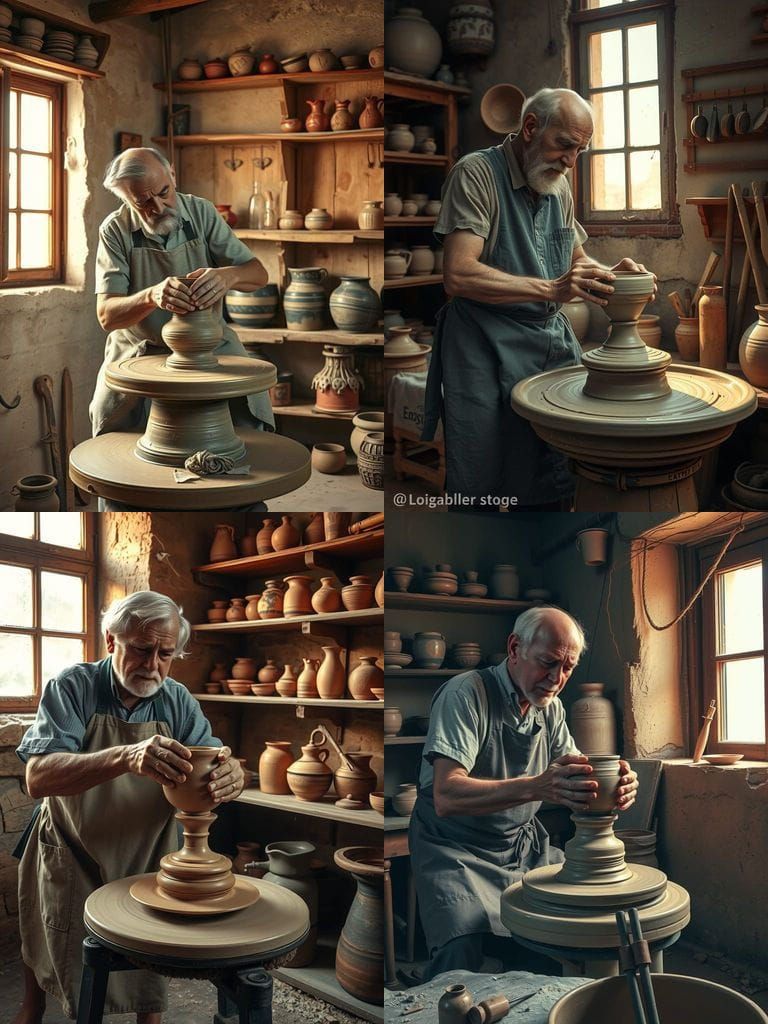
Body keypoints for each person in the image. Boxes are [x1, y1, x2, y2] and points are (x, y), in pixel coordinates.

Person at [12, 591, 244, 1024]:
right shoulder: (73, 686)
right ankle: (32, 1008)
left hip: (147, 847)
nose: (153, 665)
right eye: (141, 649)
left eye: (166, 654)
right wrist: (125, 755)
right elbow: (38, 778)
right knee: (54, 936)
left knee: (149, 954)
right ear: (110, 641)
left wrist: (235, 776)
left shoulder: (177, 700)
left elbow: (216, 758)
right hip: (74, 838)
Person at [421, 87, 657, 508]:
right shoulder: (475, 173)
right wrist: (552, 289)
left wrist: (611, 274)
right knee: (484, 472)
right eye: (564, 145)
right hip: (481, 343)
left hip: (545, 340)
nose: (570, 161)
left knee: (553, 465)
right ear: (530, 127)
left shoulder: (557, 186)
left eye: (580, 150)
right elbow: (458, 273)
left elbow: (575, 259)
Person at [408, 606, 639, 981]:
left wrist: (617, 785)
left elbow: (577, 773)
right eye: (547, 663)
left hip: (521, 846)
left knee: (559, 936)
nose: (556, 679)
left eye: (567, 668)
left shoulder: (550, 710)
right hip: (455, 848)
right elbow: (447, 795)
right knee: (460, 951)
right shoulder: (467, 693)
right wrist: (537, 785)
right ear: (514, 648)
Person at [91, 146, 274, 438]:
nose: (159, 207)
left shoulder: (201, 212)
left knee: (251, 413)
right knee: (109, 418)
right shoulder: (115, 229)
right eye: (143, 202)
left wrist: (228, 276)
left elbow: (259, 274)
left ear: (172, 175)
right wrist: (151, 295)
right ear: (126, 199)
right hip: (141, 347)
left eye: (164, 192)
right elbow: (106, 316)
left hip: (209, 344)